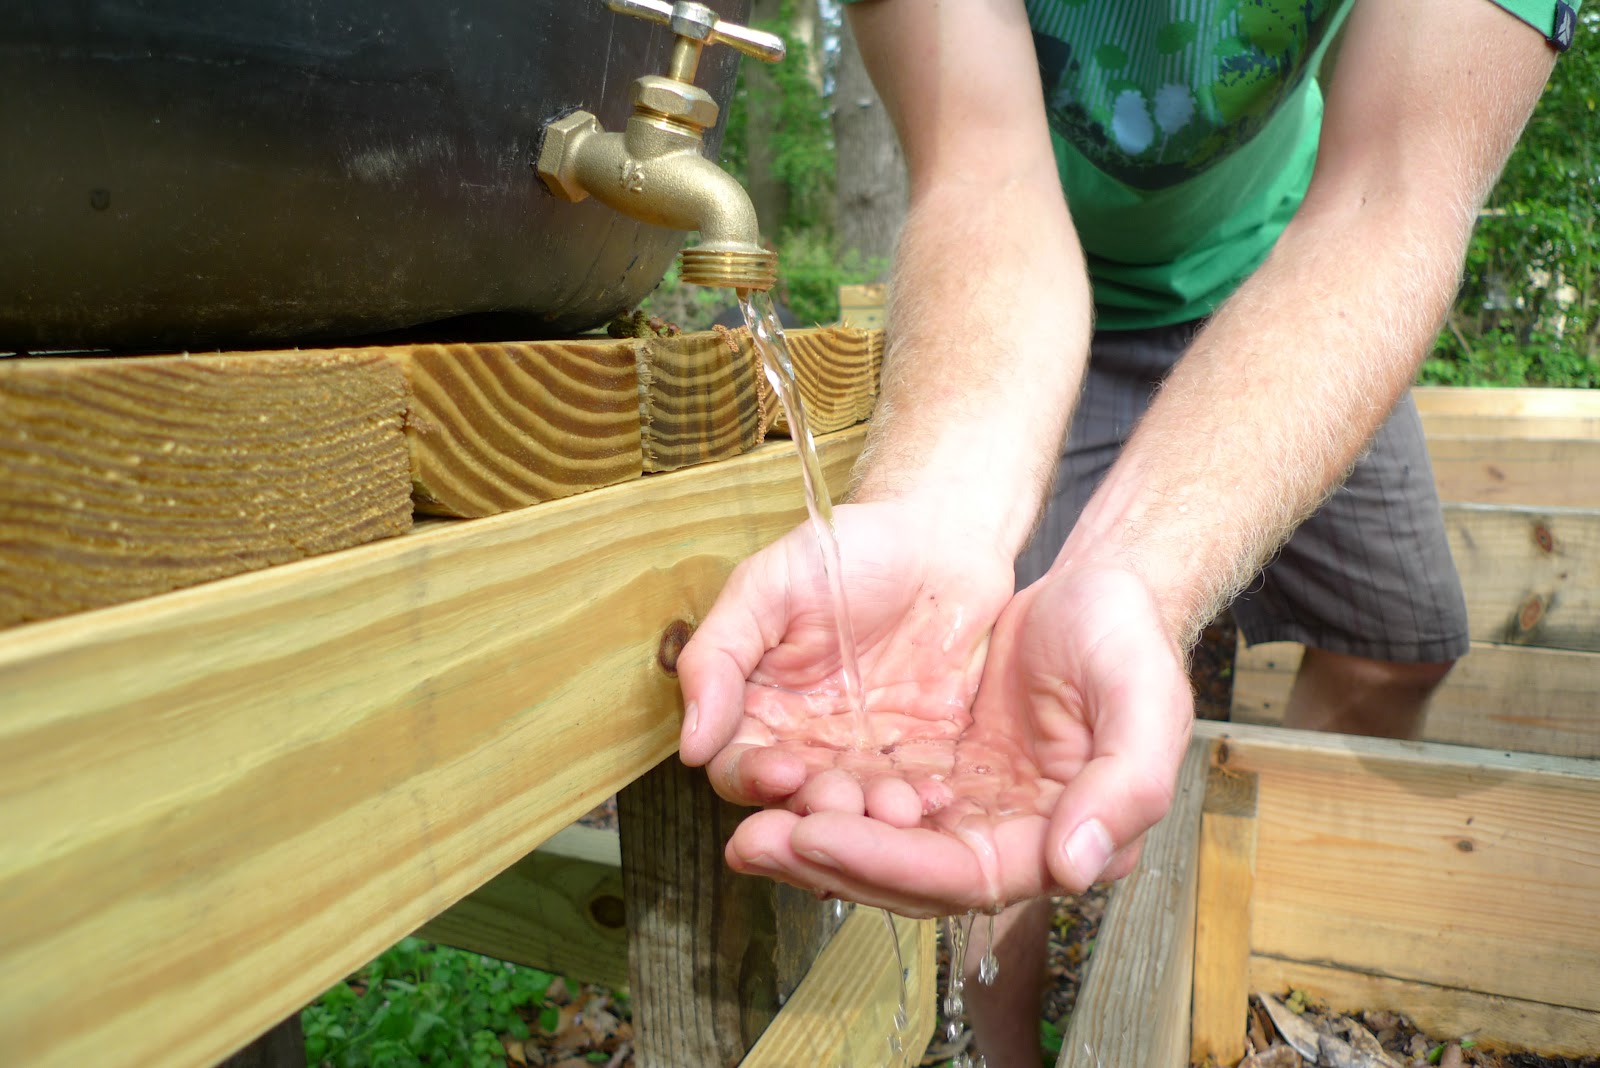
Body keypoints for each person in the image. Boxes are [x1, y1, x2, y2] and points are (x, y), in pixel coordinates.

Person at [676, 0, 1568, 1063]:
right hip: (1030, 316)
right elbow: (984, 179)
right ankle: (1004, 1050)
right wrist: (935, 515)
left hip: (1303, 286)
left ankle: (1270, 923)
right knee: (982, 743)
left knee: (1401, 640)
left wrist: (1134, 577)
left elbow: (1391, 195)